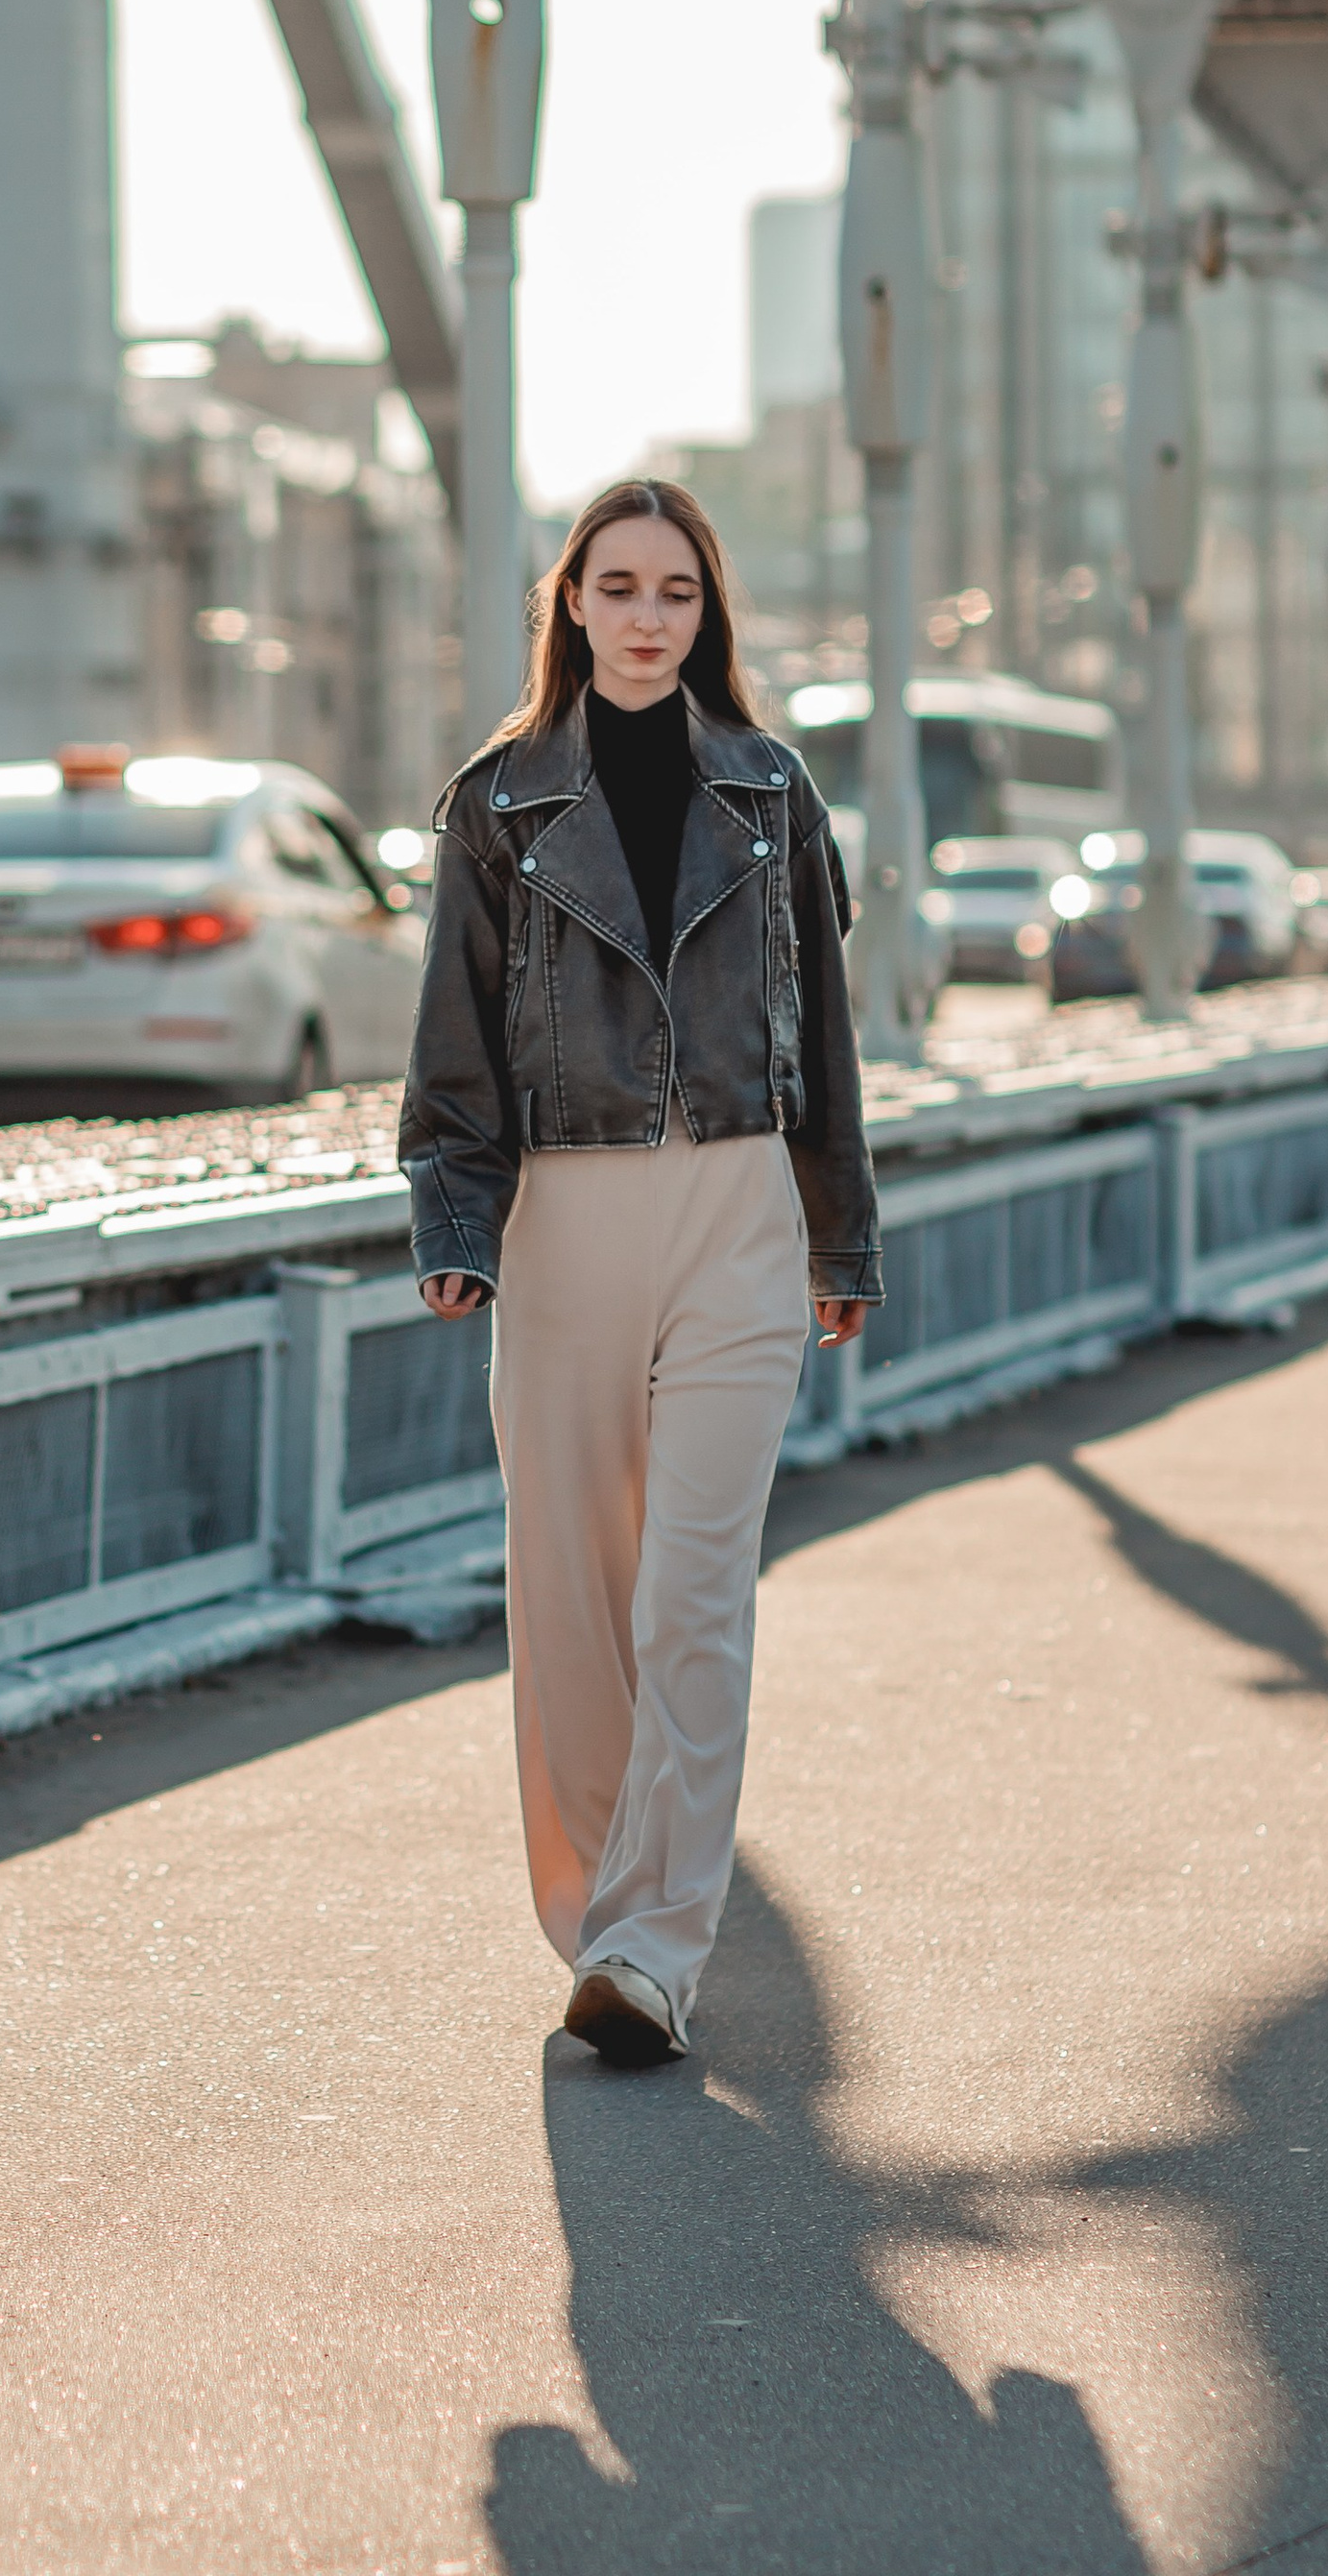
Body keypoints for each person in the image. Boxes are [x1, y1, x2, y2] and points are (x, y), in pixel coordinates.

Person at [400, 477, 880, 2065]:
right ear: (573, 604)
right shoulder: (500, 801)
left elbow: (828, 1043)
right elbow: (455, 1048)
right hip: (562, 1217)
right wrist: (456, 1228)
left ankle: (656, 1954)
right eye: (619, 587)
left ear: (708, 612)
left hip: (739, 1209)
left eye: (676, 591)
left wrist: (839, 1231)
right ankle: (597, 1917)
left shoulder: (774, 794)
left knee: (691, 1597)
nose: (647, 617)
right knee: (571, 1603)